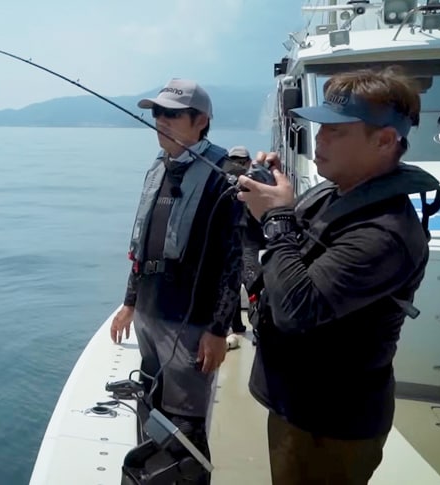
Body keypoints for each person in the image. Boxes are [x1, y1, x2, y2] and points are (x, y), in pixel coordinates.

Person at [237, 67, 440, 484]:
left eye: (336, 130)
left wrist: (276, 216)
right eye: (320, 127)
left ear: (385, 140)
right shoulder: (331, 193)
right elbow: (275, 257)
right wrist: (261, 194)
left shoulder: (387, 233)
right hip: (295, 403)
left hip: (332, 425)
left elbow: (297, 308)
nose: (319, 138)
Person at [110, 78, 244, 484]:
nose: (161, 121)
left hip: (188, 323)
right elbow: (144, 244)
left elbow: (232, 258)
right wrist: (130, 302)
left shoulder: (223, 176)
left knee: (185, 425)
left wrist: (218, 329)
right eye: (157, 113)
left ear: (201, 121)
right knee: (151, 404)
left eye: (172, 114)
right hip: (151, 314)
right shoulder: (159, 168)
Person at [227, 146, 262, 334]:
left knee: (252, 282)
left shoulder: (256, 183)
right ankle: (236, 325)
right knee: (230, 283)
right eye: (234, 161)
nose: (238, 165)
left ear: (248, 162)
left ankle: (257, 326)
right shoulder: (222, 183)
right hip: (230, 243)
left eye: (241, 161)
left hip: (250, 241)